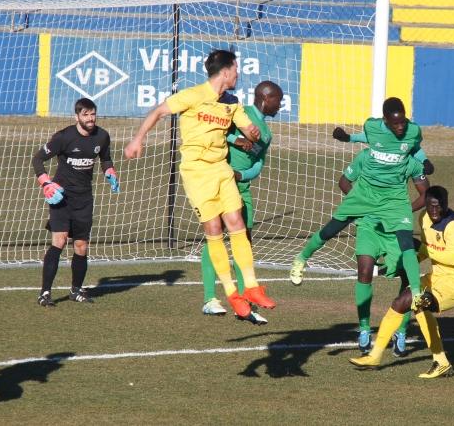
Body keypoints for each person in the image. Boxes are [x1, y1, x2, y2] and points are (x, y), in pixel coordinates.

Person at [124, 49, 275, 318]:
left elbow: (248, 130)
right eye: (236, 69)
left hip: (221, 169)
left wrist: (252, 133)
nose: (238, 74)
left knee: (237, 223)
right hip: (196, 171)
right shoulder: (193, 95)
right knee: (214, 228)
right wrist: (137, 139)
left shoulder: (232, 103)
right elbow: (159, 111)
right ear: (225, 71)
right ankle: (231, 293)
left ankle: (251, 287)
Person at [290, 98, 426, 301]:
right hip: (364, 194)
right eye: (395, 123)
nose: (400, 127)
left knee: (406, 243)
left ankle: (416, 295)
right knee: (330, 230)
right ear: (385, 120)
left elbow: (414, 146)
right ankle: (301, 259)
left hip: (393, 199)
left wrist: (425, 161)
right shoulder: (372, 126)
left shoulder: (413, 130)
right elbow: (367, 137)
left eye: (403, 122)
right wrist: (348, 138)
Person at [350, 185, 454, 379]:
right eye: (431, 206)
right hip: (436, 278)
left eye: (439, 206)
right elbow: (424, 251)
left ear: (446, 204)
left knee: (419, 301)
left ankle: (440, 361)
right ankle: (375, 356)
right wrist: (408, 262)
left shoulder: (453, 226)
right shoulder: (424, 218)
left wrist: (424, 249)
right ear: (426, 205)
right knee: (401, 302)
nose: (435, 211)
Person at [200, 80, 283, 325]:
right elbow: (216, 135)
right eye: (278, 100)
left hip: (242, 187)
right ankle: (210, 299)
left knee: (244, 241)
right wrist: (237, 141)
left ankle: (244, 301)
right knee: (215, 236)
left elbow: (258, 164)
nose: (280, 105)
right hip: (220, 182)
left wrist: (242, 175)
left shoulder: (266, 133)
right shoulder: (240, 114)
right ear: (265, 98)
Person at [32, 97, 118, 307]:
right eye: (85, 114)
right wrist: (46, 183)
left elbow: (105, 158)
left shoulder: (102, 136)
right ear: (77, 116)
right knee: (59, 241)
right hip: (61, 198)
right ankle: (45, 293)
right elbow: (37, 159)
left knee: (81, 246)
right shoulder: (64, 137)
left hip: (84, 198)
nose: (90, 118)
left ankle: (76, 290)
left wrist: (109, 171)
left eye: (93, 114)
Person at [341, 148, 428, 354]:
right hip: (369, 226)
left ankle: (402, 330)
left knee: (407, 276)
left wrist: (402, 211)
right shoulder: (367, 156)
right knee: (364, 272)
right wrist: (361, 204)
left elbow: (425, 194)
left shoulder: (410, 161)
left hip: (395, 228)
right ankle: (364, 329)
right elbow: (344, 181)